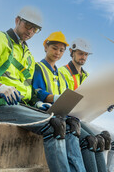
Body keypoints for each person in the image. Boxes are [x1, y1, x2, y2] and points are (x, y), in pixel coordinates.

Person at [0, 7, 72, 172]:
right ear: (17, 20)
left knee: (67, 123)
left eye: (35, 29)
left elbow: (29, 93)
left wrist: (39, 105)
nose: (30, 32)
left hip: (18, 107)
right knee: (54, 126)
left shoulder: (28, 56)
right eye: (28, 26)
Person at [59, 38, 114, 172]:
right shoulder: (62, 72)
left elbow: (94, 100)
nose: (83, 57)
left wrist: (106, 105)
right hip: (70, 119)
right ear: (71, 52)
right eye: (80, 53)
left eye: (85, 54)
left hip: (83, 118)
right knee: (100, 140)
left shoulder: (88, 76)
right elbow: (61, 99)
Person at [32, 31, 86, 172]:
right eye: (54, 48)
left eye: (61, 50)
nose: (58, 52)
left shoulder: (59, 74)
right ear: (46, 47)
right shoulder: (39, 67)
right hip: (46, 111)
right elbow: (37, 91)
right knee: (64, 127)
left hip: (60, 112)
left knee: (74, 126)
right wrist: (54, 99)